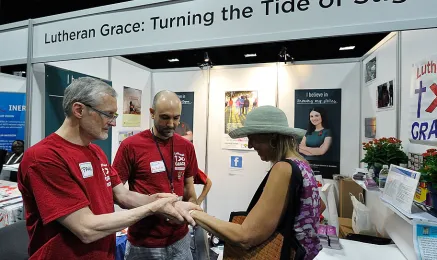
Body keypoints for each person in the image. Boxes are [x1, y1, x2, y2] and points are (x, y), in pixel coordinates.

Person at [17, 77, 199, 260]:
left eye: (115, 116)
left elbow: (123, 195)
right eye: (108, 114)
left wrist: (162, 201)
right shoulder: (44, 158)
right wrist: (153, 208)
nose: (112, 123)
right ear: (79, 110)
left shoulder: (96, 152)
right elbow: (85, 228)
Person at [189, 106, 325, 260]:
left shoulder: (283, 168)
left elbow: (245, 237)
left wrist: (193, 213)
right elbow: (319, 205)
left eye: (252, 138)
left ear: (272, 137)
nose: (250, 145)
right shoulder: (302, 164)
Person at [113, 90, 200, 260]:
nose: (171, 124)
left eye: (176, 118)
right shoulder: (131, 146)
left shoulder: (186, 147)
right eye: (165, 117)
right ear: (152, 113)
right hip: (144, 243)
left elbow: (190, 191)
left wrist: (189, 212)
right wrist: (153, 206)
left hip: (180, 240)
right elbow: (115, 193)